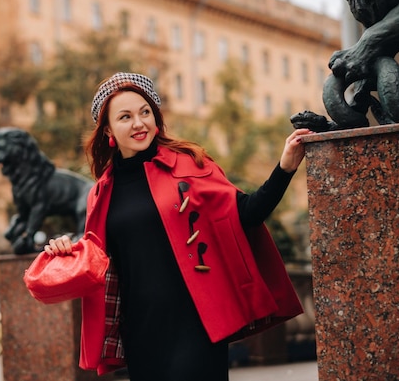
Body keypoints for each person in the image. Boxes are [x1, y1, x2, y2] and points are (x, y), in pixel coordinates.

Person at [44, 72, 313, 381]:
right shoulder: (101, 193)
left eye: (145, 112)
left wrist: (285, 168)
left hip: (196, 324)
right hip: (141, 331)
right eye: (125, 116)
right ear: (109, 130)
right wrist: (65, 250)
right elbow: (97, 259)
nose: (138, 123)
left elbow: (247, 214)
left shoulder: (189, 164)